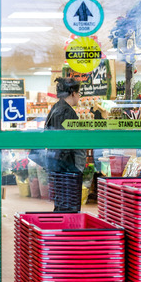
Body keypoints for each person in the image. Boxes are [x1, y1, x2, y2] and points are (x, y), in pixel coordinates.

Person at [45, 77, 86, 212]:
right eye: (79, 93)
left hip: (59, 166)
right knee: (68, 207)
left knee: (62, 204)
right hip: (67, 168)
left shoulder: (57, 108)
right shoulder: (66, 112)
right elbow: (66, 143)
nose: (79, 96)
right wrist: (76, 169)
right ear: (73, 93)